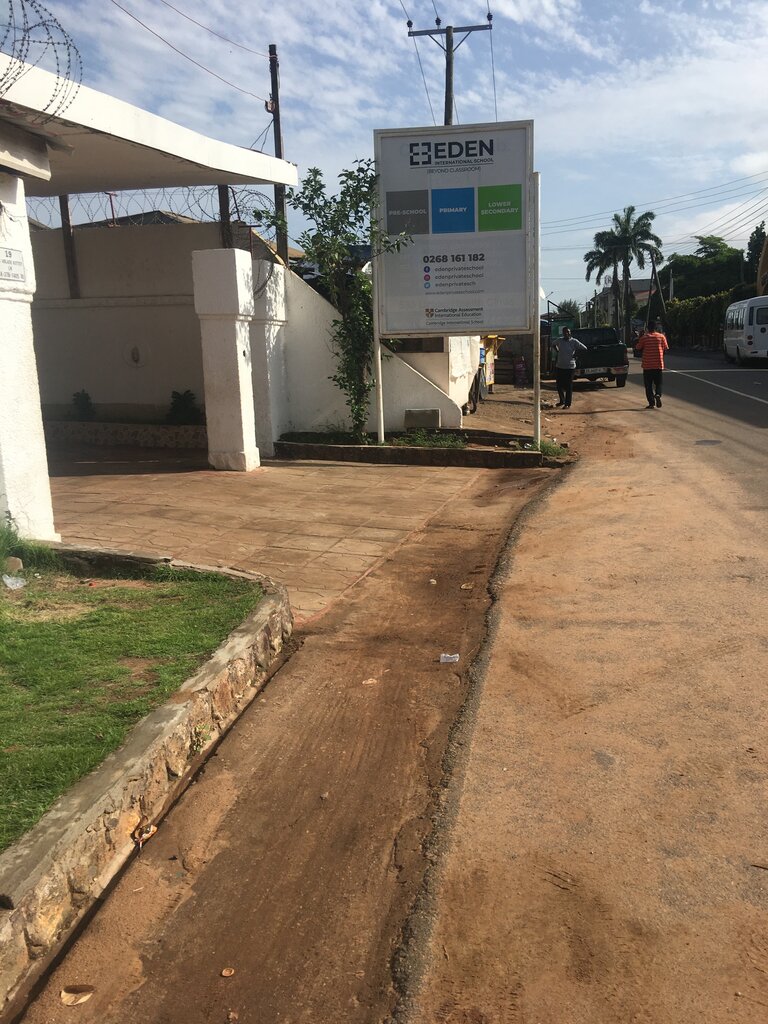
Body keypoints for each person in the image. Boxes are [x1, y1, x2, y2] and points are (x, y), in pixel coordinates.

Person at [635, 321, 669, 408]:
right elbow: (665, 348)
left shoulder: (644, 338)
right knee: (658, 383)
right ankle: (658, 394)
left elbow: (638, 347)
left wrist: (640, 337)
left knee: (648, 386)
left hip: (647, 366)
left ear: (647, 328)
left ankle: (651, 403)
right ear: (656, 328)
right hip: (658, 365)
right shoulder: (661, 337)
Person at [554, 327, 587, 409]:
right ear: (562, 333)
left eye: (568, 332)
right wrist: (557, 351)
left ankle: (568, 404)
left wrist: (576, 355)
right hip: (560, 366)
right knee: (559, 385)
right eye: (565, 332)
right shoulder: (559, 340)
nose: (566, 333)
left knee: (568, 385)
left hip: (570, 367)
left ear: (570, 333)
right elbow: (553, 344)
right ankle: (562, 401)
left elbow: (584, 348)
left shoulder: (574, 341)